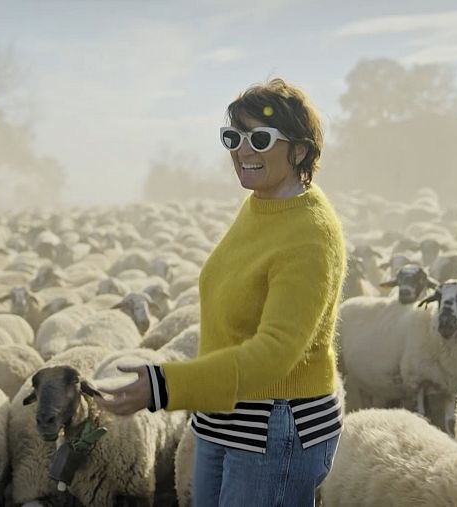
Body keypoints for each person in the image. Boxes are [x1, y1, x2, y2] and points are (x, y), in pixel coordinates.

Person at [95, 78, 346, 506]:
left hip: (275, 427)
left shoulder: (309, 235)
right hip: (222, 418)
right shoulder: (260, 206)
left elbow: (274, 354)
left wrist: (166, 386)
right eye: (234, 137)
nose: (243, 150)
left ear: (299, 150)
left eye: (261, 138)